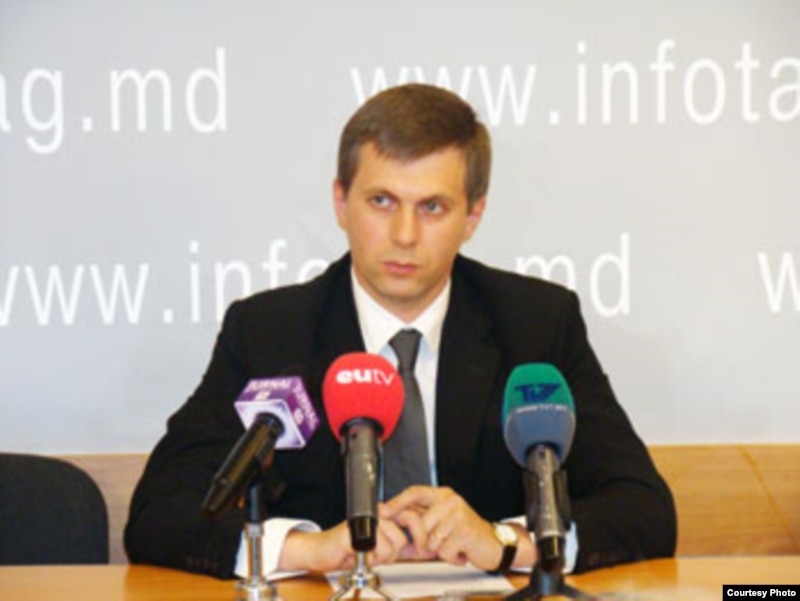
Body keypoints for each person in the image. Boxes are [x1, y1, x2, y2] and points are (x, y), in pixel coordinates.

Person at [124, 83, 676, 579]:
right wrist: (307, 549)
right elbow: (158, 514)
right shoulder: (270, 333)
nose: (405, 234)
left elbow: (643, 509)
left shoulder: (536, 324)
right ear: (341, 202)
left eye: (432, 207)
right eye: (381, 201)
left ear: (473, 216)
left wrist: (506, 543)